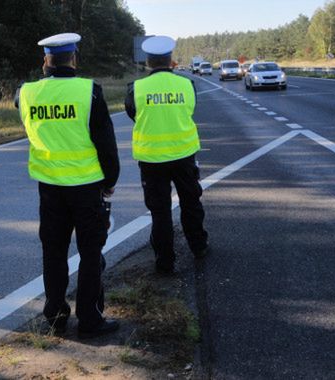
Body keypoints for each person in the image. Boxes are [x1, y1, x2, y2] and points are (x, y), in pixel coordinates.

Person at [16, 33, 120, 338]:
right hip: (87, 188)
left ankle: (55, 316)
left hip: (49, 189)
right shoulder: (90, 92)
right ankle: (89, 320)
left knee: (53, 252)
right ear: (73, 58)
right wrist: (110, 181)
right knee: (90, 253)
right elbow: (106, 145)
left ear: (44, 61)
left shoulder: (25, 93)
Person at [124, 36, 209, 274]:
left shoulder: (136, 89)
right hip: (183, 156)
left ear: (148, 62)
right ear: (171, 60)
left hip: (151, 160)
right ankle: (199, 245)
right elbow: (188, 111)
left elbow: (133, 114)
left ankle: (165, 261)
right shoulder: (186, 85)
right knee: (191, 203)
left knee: (160, 212)